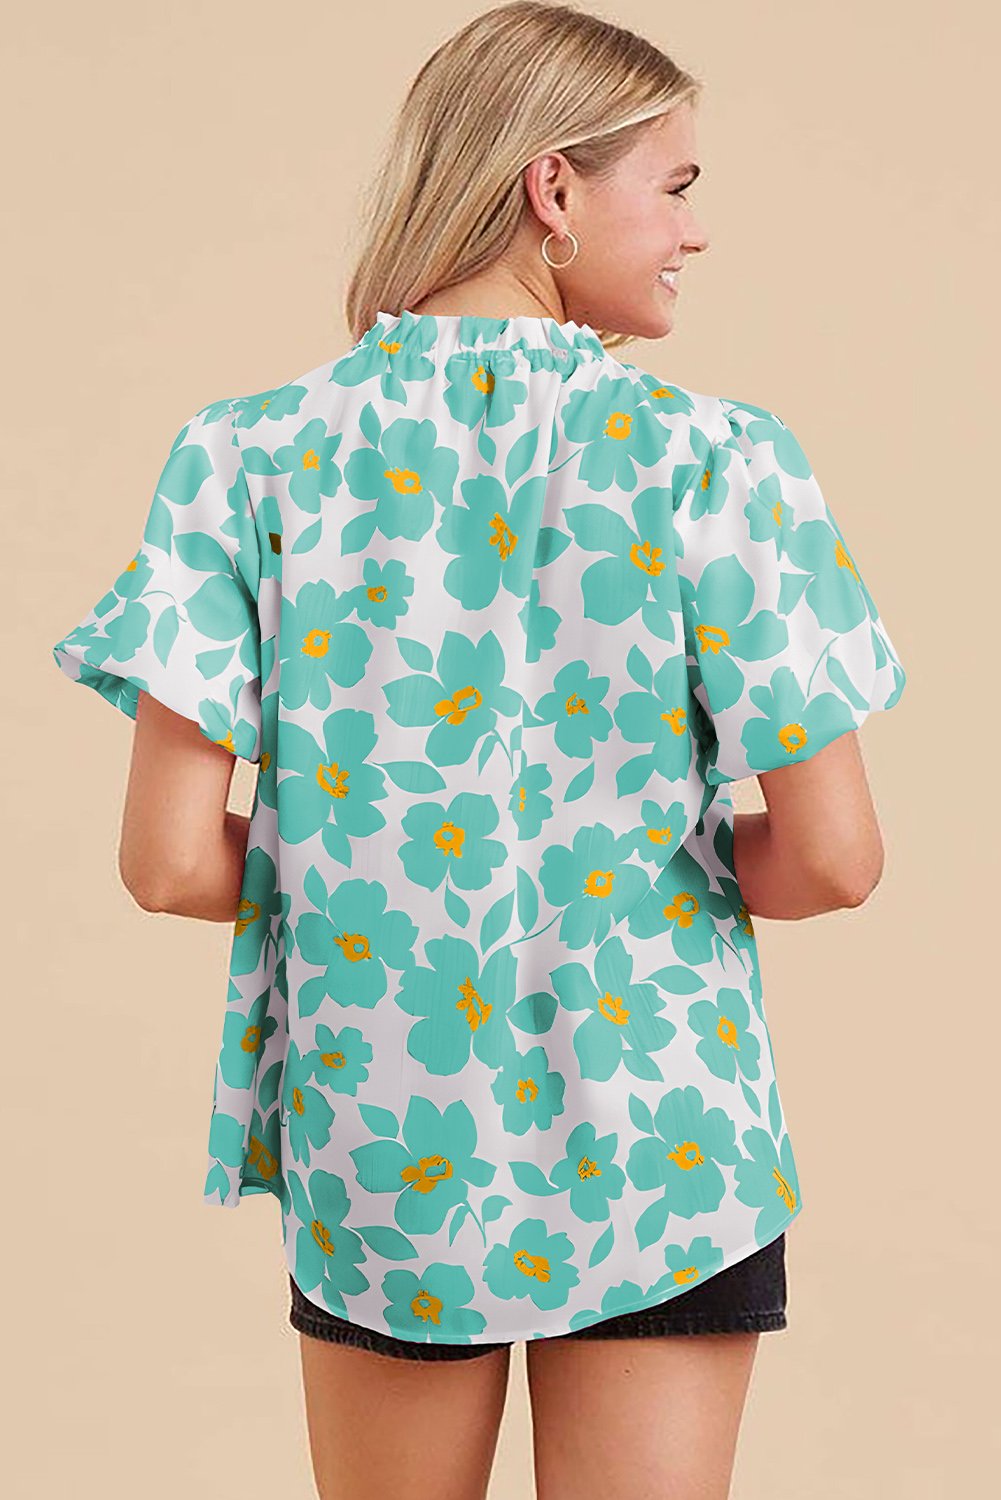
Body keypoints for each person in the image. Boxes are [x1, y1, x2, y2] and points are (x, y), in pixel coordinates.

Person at [50, 4, 906, 1497]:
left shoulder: (245, 456)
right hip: (663, 1144)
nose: (696, 230)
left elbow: (171, 864)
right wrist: (625, 866)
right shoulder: (718, 459)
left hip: (386, 1141)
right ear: (551, 187)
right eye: (677, 185)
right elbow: (834, 862)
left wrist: (369, 869)